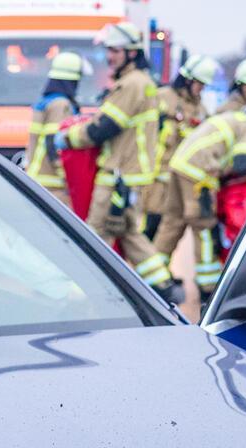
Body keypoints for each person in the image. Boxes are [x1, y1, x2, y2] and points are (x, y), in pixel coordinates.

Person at [53, 22, 166, 286]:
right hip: (131, 174)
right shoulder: (141, 83)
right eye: (109, 50)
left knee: (96, 235)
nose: (110, 56)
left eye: (115, 50)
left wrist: (68, 137)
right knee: (129, 235)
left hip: (118, 174)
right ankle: (164, 287)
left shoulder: (131, 85)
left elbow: (103, 128)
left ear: (131, 52)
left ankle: (92, 289)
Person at [164, 95, 246, 318]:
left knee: (171, 223)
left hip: (179, 165)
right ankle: (209, 290)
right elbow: (242, 163)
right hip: (199, 175)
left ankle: (156, 281)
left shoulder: (237, 118)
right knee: (204, 227)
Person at [139, 52, 218, 302]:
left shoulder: (201, 108)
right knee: (152, 228)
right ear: (186, 79)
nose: (200, 89)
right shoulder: (163, 98)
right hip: (156, 177)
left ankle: (160, 277)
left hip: (182, 179)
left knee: (172, 226)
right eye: (198, 84)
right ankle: (151, 279)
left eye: (203, 86)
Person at [24, 51, 85, 206]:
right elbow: (53, 142)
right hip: (53, 184)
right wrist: (66, 175)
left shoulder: (45, 102)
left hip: (38, 178)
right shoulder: (60, 105)